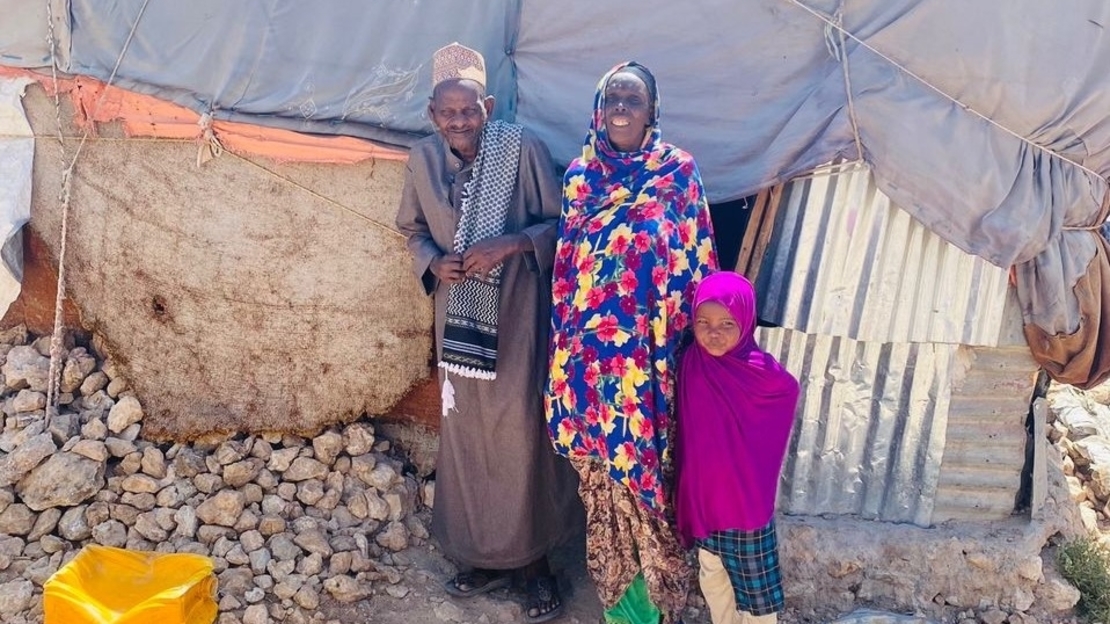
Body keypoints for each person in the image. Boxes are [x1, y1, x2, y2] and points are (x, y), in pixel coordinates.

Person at [395, 42, 580, 624]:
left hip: (519, 319)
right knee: (467, 437)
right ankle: (480, 556)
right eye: (447, 113)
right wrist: (432, 261)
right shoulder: (421, 160)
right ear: (431, 115)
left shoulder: (522, 148)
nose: (459, 122)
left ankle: (532, 567)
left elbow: (563, 223)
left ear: (488, 107)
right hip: (458, 321)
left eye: (469, 111)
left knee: (520, 435)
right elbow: (411, 228)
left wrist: (514, 243)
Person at [545, 61, 718, 624]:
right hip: (590, 367)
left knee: (652, 484)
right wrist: (562, 360)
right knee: (602, 489)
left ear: (652, 112)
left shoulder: (678, 174)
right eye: (613, 96)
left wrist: (698, 352)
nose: (621, 106)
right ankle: (625, 614)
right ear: (598, 108)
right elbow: (566, 275)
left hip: (653, 367)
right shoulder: (579, 178)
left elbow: (698, 262)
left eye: (633, 99)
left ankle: (663, 610)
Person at [674, 271, 800, 624]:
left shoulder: (762, 376)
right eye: (703, 322)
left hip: (745, 503)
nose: (714, 333)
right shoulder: (692, 365)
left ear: (745, 322)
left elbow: (787, 394)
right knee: (712, 573)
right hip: (705, 496)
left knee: (755, 590)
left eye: (727, 323)